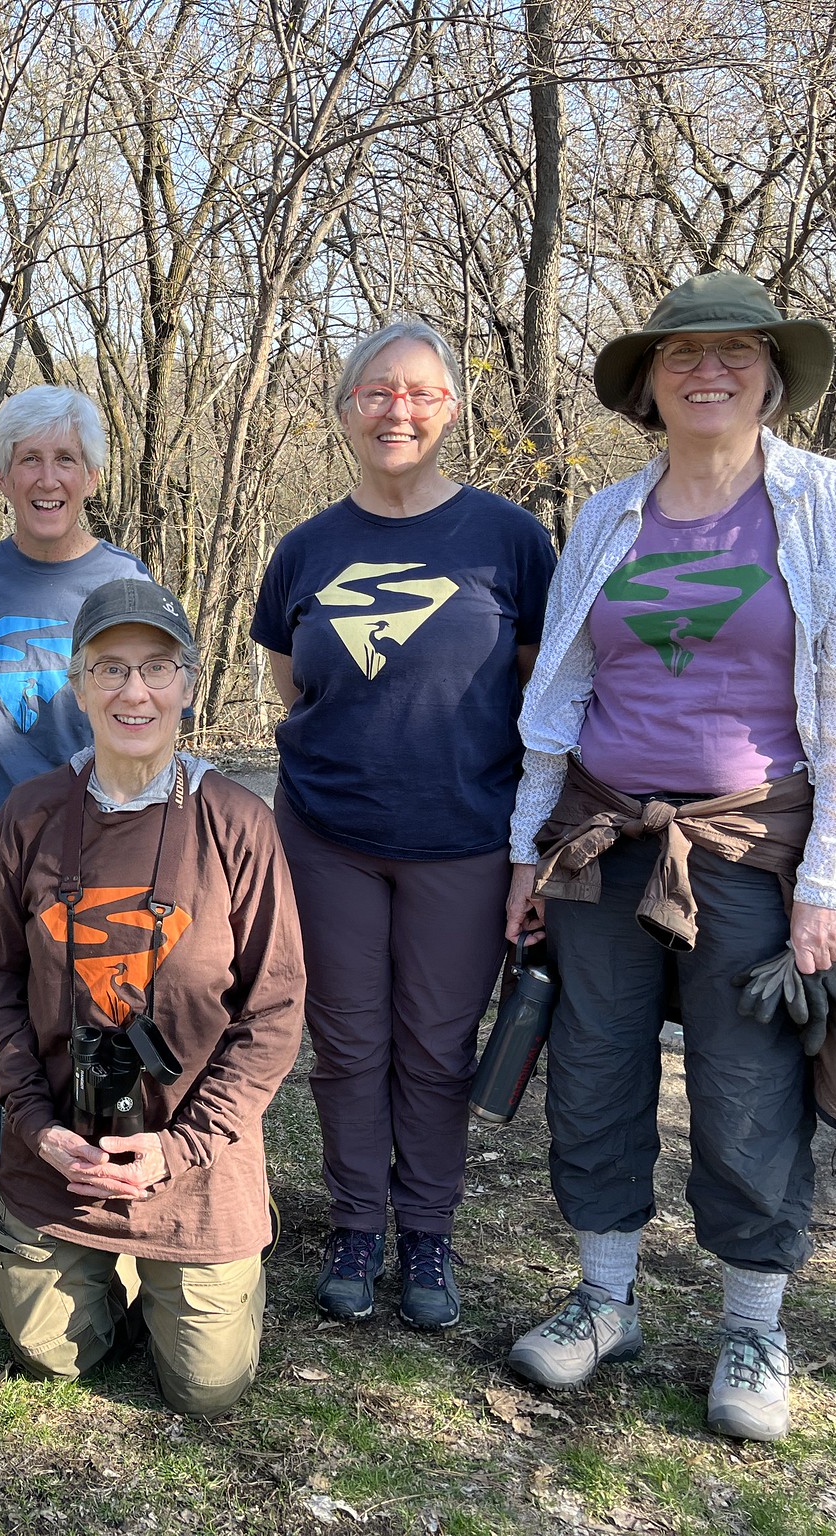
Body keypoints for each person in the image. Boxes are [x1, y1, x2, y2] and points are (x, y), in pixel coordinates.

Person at [502, 271, 836, 1441]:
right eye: (682, 354)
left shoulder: (828, 505)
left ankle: (750, 1324)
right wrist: (525, 849)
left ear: (772, 376)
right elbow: (559, 693)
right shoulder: (605, 517)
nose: (709, 371)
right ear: (647, 383)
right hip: (601, 834)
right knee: (590, 1073)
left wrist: (832, 881)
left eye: (736, 352)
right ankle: (602, 1302)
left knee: (745, 1091)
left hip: (747, 841)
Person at [250, 320, 556, 1330]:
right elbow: (293, 691)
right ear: (343, 411)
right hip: (327, 836)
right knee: (345, 1044)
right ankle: (354, 1226)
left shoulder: (508, 541)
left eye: (419, 393)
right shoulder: (306, 549)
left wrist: (529, 847)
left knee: (433, 1047)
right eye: (375, 392)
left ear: (451, 410)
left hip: (462, 841)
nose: (397, 410)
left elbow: (539, 699)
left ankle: (425, 1234)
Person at [0, 578, 307, 1415]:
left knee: (207, 1391)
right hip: (61, 1157)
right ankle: (77, 1255)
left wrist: (181, 1148)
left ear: (188, 684)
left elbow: (274, 1010)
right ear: (76, 686)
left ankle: (202, 1255)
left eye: (157, 668)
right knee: (55, 1358)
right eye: (109, 669)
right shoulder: (31, 815)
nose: (134, 692)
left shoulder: (237, 824)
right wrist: (35, 1125)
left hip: (193, 1164)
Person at [0, 385, 149, 1256]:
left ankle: (81, 1180)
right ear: (2, 474)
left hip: (90, 848)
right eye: (28, 459)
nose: (46, 477)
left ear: (91, 473)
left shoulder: (123, 582)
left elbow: (148, 723)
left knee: (89, 1020)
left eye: (63, 459)